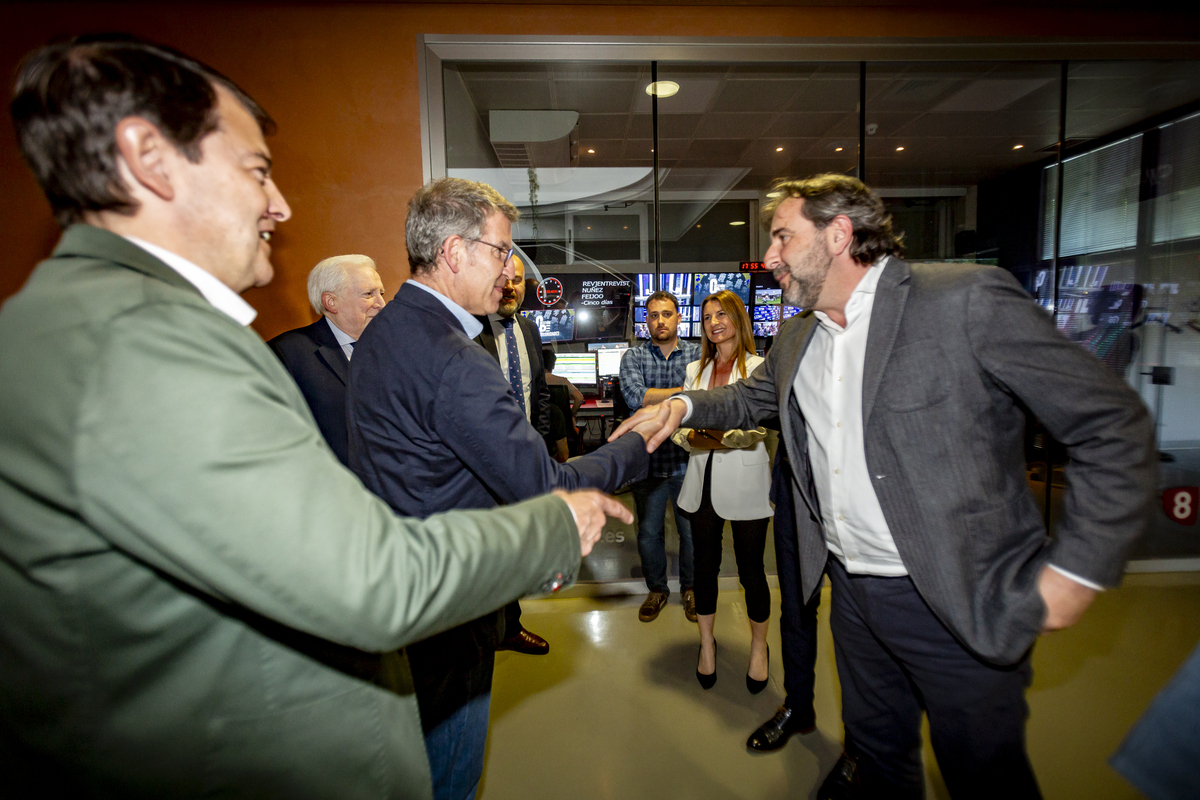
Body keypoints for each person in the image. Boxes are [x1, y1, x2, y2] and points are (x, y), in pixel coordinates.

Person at [0, 35, 632, 800]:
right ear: (148, 159)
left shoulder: (71, 323)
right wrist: (558, 524)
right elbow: (373, 582)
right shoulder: (145, 346)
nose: (281, 205)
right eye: (257, 170)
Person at [613, 173, 1156, 799]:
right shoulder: (797, 336)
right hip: (854, 594)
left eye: (784, 237)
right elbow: (746, 398)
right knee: (878, 758)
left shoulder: (963, 301)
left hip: (957, 598)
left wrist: (1079, 571)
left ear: (839, 234)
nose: (770, 258)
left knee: (982, 776)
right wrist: (681, 406)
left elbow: (1112, 425)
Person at [347, 176, 654, 800]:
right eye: (501, 250)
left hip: (396, 582)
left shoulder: (384, 331)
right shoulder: (455, 358)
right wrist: (634, 444)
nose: (511, 268)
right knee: (449, 777)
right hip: (452, 602)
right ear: (456, 252)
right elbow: (547, 485)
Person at [671, 290, 772, 692]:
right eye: (707, 315)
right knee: (704, 571)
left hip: (747, 485)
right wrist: (709, 437)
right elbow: (682, 430)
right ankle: (707, 645)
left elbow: (758, 430)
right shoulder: (694, 369)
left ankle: (760, 649)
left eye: (722, 314)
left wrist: (709, 436)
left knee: (752, 572)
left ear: (738, 318)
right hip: (702, 484)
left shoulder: (760, 368)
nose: (714, 322)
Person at [474, 253, 552, 657]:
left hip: (523, 456)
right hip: (482, 462)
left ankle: (508, 625)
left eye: (518, 280)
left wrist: (540, 446)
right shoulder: (468, 330)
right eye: (504, 279)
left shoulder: (529, 328)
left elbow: (538, 392)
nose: (511, 287)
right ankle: (489, 631)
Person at [618, 289, 700, 622]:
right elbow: (636, 396)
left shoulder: (698, 354)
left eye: (666, 314)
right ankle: (657, 590)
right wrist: (684, 396)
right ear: (646, 321)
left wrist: (661, 399)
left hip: (687, 461)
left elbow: (706, 394)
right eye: (653, 315)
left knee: (690, 534)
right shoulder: (633, 357)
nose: (660, 320)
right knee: (649, 533)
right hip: (648, 462)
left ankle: (692, 589)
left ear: (678, 317)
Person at [267, 254, 385, 465]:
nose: (381, 303)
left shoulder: (395, 348)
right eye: (369, 294)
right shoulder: (288, 353)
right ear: (331, 302)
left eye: (381, 293)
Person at [543, 347, 584, 455]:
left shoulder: (534, 382)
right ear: (553, 365)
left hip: (542, 431)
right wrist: (571, 414)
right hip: (564, 431)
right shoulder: (562, 381)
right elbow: (579, 398)